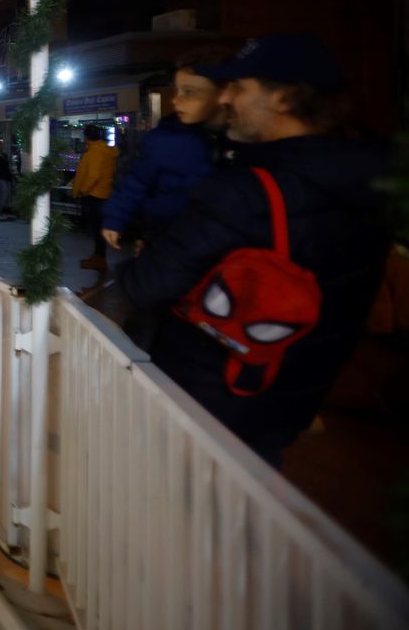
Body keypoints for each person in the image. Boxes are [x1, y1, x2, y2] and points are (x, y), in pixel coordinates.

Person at [111, 34, 389, 466]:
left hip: (210, 398)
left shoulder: (245, 192)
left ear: (284, 98)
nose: (226, 99)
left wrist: (149, 249)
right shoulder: (374, 178)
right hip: (289, 395)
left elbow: (146, 284)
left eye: (240, 87)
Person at [102, 56, 226, 253]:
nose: (176, 100)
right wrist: (116, 217)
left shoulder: (241, 142)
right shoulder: (163, 139)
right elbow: (136, 182)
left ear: (224, 95)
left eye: (189, 93)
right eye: (177, 90)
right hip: (167, 237)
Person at [71, 124, 120, 272]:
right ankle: (98, 257)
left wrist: (83, 190)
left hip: (94, 196)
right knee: (98, 229)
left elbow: (93, 176)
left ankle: (99, 259)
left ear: (86, 137)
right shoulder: (105, 151)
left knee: (97, 229)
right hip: (103, 194)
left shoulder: (95, 153)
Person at [0, 138, 17, 219]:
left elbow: (6, 166)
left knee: (5, 195)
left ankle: (0, 212)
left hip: (6, 176)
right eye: (2, 144)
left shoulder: (3, 154)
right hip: (0, 176)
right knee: (1, 195)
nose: (3, 146)